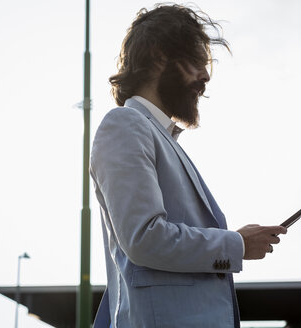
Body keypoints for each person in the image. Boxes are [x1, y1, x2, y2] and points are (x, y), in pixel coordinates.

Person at [90, 4, 287, 328]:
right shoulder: (125, 124)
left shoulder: (155, 135)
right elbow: (144, 238)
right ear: (158, 56)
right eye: (196, 61)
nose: (205, 75)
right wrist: (236, 244)